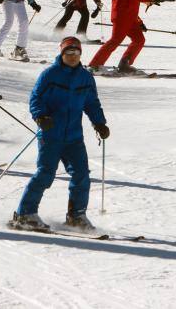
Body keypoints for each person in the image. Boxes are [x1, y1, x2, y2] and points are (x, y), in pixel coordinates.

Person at [9, 36, 109, 232]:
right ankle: (25, 214)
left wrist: (99, 123)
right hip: (51, 134)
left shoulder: (86, 77)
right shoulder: (50, 75)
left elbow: (91, 103)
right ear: (62, 54)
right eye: (68, 53)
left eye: (76, 53)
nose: (72, 57)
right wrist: (40, 117)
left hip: (73, 137)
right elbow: (36, 99)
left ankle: (76, 215)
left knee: (81, 175)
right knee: (45, 174)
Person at [88, 0, 163, 73]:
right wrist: (149, 0)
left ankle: (124, 64)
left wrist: (139, 22)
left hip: (130, 18)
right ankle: (95, 65)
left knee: (139, 40)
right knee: (115, 40)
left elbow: (132, 3)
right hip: (122, 17)